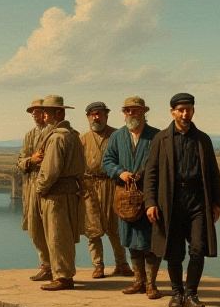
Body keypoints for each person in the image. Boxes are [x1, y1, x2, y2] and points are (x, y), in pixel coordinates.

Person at [144, 93, 220, 307]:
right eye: (180, 110)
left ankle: (192, 294)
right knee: (174, 252)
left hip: (198, 201)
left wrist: (216, 203)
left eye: (188, 109)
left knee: (198, 248)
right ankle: (177, 292)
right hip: (171, 201)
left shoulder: (203, 139)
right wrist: (150, 201)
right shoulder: (162, 139)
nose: (185, 114)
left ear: (193, 111)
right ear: (172, 112)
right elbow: (151, 173)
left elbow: (213, 173)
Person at [102, 96, 164, 299]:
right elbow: (108, 160)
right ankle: (138, 282)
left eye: (135, 111)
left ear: (144, 112)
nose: (131, 115)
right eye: (127, 111)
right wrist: (120, 172)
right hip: (125, 199)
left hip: (150, 197)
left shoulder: (157, 136)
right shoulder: (118, 136)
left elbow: (165, 164)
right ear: (123, 113)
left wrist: (145, 175)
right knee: (131, 241)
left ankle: (151, 284)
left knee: (151, 243)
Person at [34, 95, 86, 291]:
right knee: (64, 235)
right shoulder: (73, 135)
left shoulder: (57, 138)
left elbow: (50, 170)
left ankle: (63, 276)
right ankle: (64, 273)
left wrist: (40, 189)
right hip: (70, 192)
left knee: (57, 235)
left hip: (56, 195)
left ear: (59, 113)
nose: (44, 115)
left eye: (47, 112)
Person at [79, 101, 133, 279]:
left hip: (112, 184)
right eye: (93, 114)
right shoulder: (83, 139)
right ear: (88, 117)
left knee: (115, 226)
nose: (96, 117)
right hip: (89, 186)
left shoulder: (117, 135)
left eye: (99, 114)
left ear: (106, 116)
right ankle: (98, 265)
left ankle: (121, 263)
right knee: (92, 229)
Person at [17, 98, 53, 281]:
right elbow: (20, 160)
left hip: (49, 186)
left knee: (52, 227)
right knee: (34, 227)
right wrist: (31, 160)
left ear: (45, 112)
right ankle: (45, 264)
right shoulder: (30, 135)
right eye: (32, 112)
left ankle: (55, 266)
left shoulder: (54, 133)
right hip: (31, 185)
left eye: (37, 111)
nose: (33, 114)